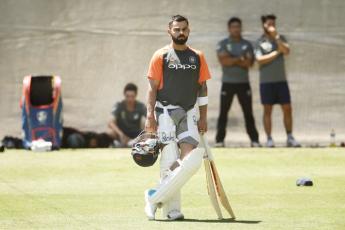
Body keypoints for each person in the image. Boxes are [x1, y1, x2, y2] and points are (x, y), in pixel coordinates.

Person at [144, 15, 211, 220]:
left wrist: (203, 117)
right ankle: (172, 211)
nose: (180, 33)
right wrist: (150, 117)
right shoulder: (161, 55)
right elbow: (152, 88)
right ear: (169, 31)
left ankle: (154, 197)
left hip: (189, 112)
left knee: (190, 160)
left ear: (188, 31)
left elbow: (203, 88)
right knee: (168, 159)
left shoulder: (197, 56)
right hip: (164, 112)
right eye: (176, 29)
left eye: (184, 29)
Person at [255, 14, 300, 147]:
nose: (271, 26)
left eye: (273, 24)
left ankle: (290, 137)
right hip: (266, 82)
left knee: (287, 108)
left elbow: (286, 51)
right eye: (269, 24)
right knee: (267, 110)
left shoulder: (280, 38)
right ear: (263, 25)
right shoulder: (260, 41)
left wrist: (276, 36)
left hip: (281, 81)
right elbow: (260, 60)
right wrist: (276, 53)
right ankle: (269, 139)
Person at [215, 17, 260, 147]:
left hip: (243, 83)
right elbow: (224, 61)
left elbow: (248, 63)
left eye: (238, 26)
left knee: (248, 112)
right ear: (229, 28)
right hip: (227, 83)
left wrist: (231, 58)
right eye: (233, 27)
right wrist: (240, 58)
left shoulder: (247, 44)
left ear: (241, 28)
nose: (236, 29)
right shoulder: (223, 43)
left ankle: (254, 140)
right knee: (223, 112)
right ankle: (219, 140)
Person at [108, 83, 146, 147]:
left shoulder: (141, 106)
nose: (130, 99)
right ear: (124, 95)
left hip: (136, 133)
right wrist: (121, 134)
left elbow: (150, 118)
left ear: (136, 95)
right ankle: (118, 143)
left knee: (148, 133)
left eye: (132, 96)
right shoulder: (119, 105)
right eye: (127, 96)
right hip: (122, 133)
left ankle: (132, 143)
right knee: (110, 132)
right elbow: (110, 122)